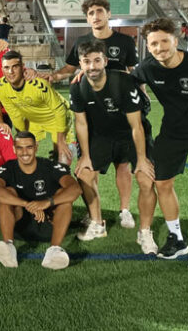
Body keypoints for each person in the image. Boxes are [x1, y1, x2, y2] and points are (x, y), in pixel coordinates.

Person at [132, 18, 188, 272]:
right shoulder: (147, 67)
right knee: (162, 183)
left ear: (176, 40)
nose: (159, 47)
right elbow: (127, 79)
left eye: (164, 41)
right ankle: (177, 238)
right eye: (153, 43)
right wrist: (84, 73)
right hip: (173, 132)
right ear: (147, 46)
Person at [70, 40, 158, 254]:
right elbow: (80, 123)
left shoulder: (123, 83)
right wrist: (85, 156)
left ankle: (145, 232)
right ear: (81, 64)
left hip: (131, 134)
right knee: (84, 174)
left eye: (97, 60)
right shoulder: (77, 87)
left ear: (105, 61)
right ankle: (97, 224)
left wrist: (142, 159)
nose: (92, 66)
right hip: (102, 135)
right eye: (87, 62)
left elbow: (136, 126)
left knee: (146, 178)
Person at [0, 132, 82, 270]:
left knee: (64, 198)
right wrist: (27, 204)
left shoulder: (50, 166)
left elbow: (75, 189)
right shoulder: (8, 167)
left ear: (36, 147)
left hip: (48, 225)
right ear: (14, 149)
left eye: (29, 147)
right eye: (20, 148)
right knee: (8, 194)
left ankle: (53, 251)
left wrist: (47, 203)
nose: (24, 152)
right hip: (19, 227)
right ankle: (9, 247)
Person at [0, 51, 75, 165]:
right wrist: (22, 137)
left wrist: (61, 141)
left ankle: (63, 156)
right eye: (6, 67)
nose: (10, 72)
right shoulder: (0, 88)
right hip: (32, 120)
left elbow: (60, 110)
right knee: (23, 155)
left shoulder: (38, 85)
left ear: (23, 68)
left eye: (15, 67)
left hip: (57, 117)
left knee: (62, 160)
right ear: (2, 69)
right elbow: (15, 115)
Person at [50, 0, 138, 82]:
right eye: (91, 13)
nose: (95, 16)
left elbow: (134, 71)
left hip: (118, 92)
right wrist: (52, 77)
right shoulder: (81, 42)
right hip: (90, 92)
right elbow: (69, 69)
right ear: (88, 19)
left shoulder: (126, 41)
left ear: (108, 14)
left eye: (100, 11)